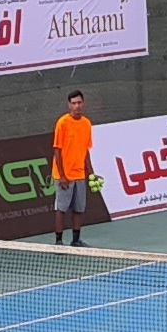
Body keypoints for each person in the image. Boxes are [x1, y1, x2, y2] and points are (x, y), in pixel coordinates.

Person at [51, 90, 96, 247]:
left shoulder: (87, 124)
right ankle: (58, 241)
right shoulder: (62, 123)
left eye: (79, 103)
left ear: (84, 104)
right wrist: (62, 176)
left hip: (80, 175)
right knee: (61, 209)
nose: (77, 106)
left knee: (79, 209)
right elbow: (57, 150)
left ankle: (76, 240)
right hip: (64, 175)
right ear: (69, 105)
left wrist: (91, 173)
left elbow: (86, 150)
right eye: (74, 103)